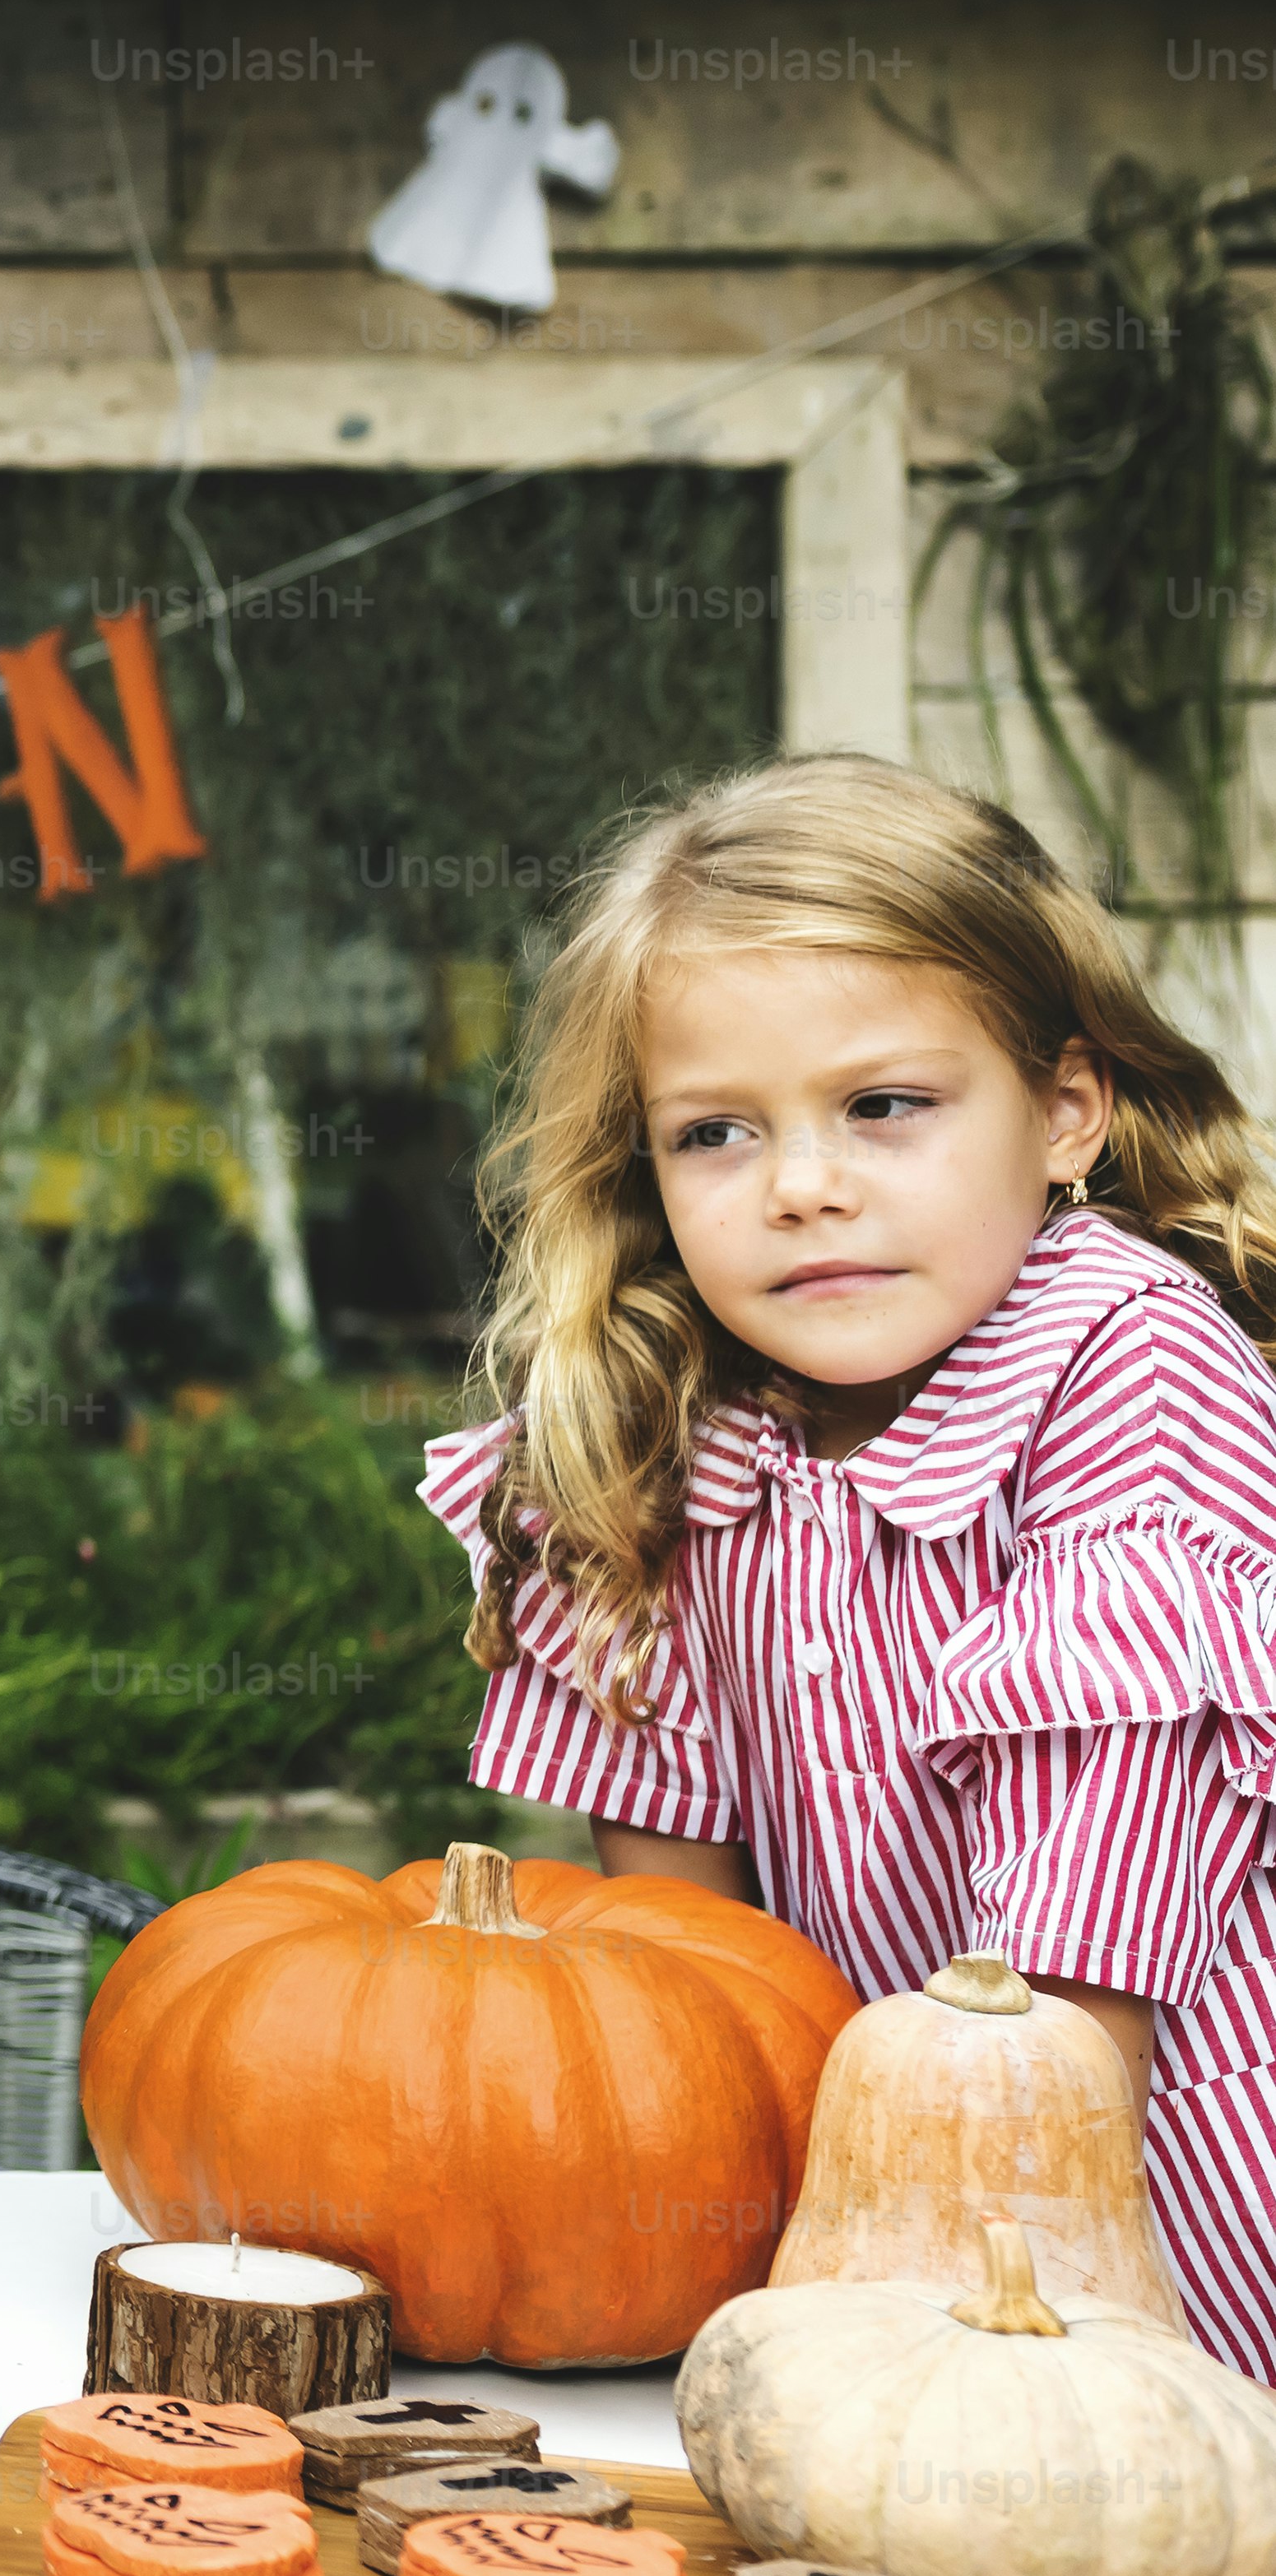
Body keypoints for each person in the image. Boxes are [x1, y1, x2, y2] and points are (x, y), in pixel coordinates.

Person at [438, 752, 1276, 2379]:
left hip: (1159, 2225)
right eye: (714, 1132)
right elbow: (683, 1976)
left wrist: (970, 2309)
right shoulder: (672, 1431)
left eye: (883, 1106)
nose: (802, 1186)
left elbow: (1074, 1984)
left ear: (1065, 1110)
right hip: (879, 2237)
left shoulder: (1129, 1365)